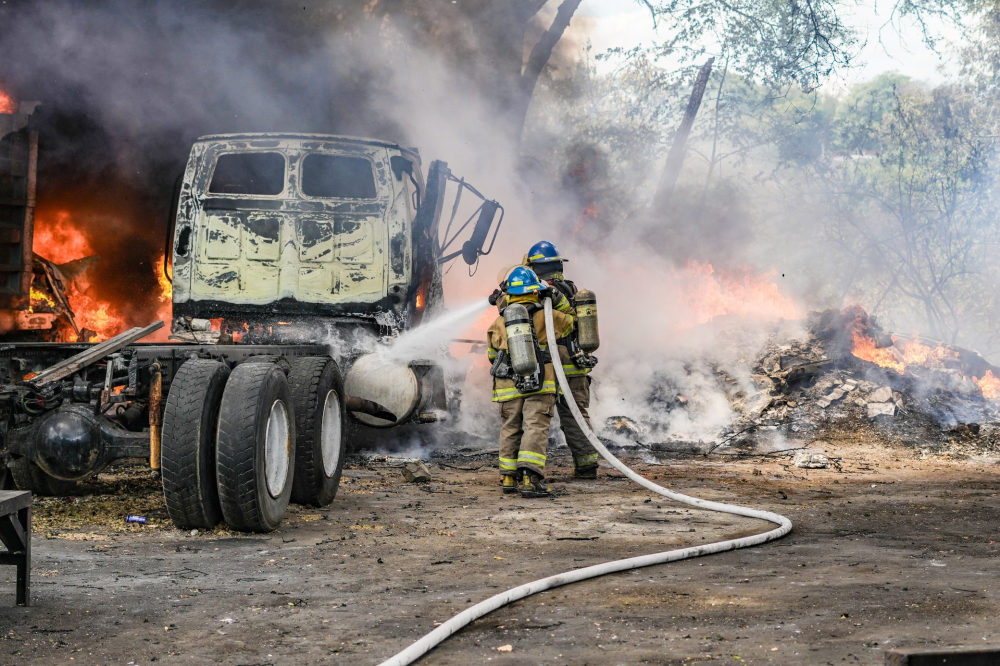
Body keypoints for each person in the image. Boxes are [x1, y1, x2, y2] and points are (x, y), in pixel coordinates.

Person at [486, 267, 574, 497]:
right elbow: (572, 322)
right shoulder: (548, 316)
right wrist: (556, 298)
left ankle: (508, 477)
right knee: (535, 427)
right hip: (540, 383)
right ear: (535, 291)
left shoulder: (499, 321)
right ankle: (530, 478)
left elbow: (492, 356)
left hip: (506, 385)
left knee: (510, 428)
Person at [525, 240, 601, 479]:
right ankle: (587, 467)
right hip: (575, 363)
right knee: (576, 416)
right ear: (559, 264)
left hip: (546, 365)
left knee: (536, 418)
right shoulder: (570, 289)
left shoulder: (534, 291)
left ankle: (529, 472)